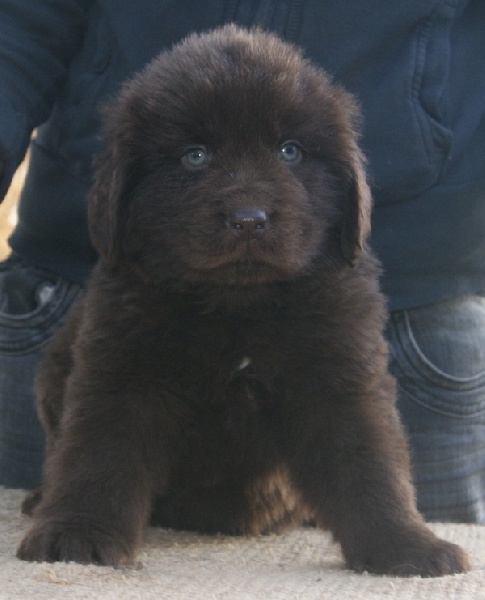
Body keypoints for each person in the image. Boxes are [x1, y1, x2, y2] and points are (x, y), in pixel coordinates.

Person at [0, 0, 484, 522]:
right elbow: (21, 22)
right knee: (72, 535)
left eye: (289, 152)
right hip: (92, 286)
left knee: (400, 547)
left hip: (414, 309)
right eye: (196, 157)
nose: (248, 207)